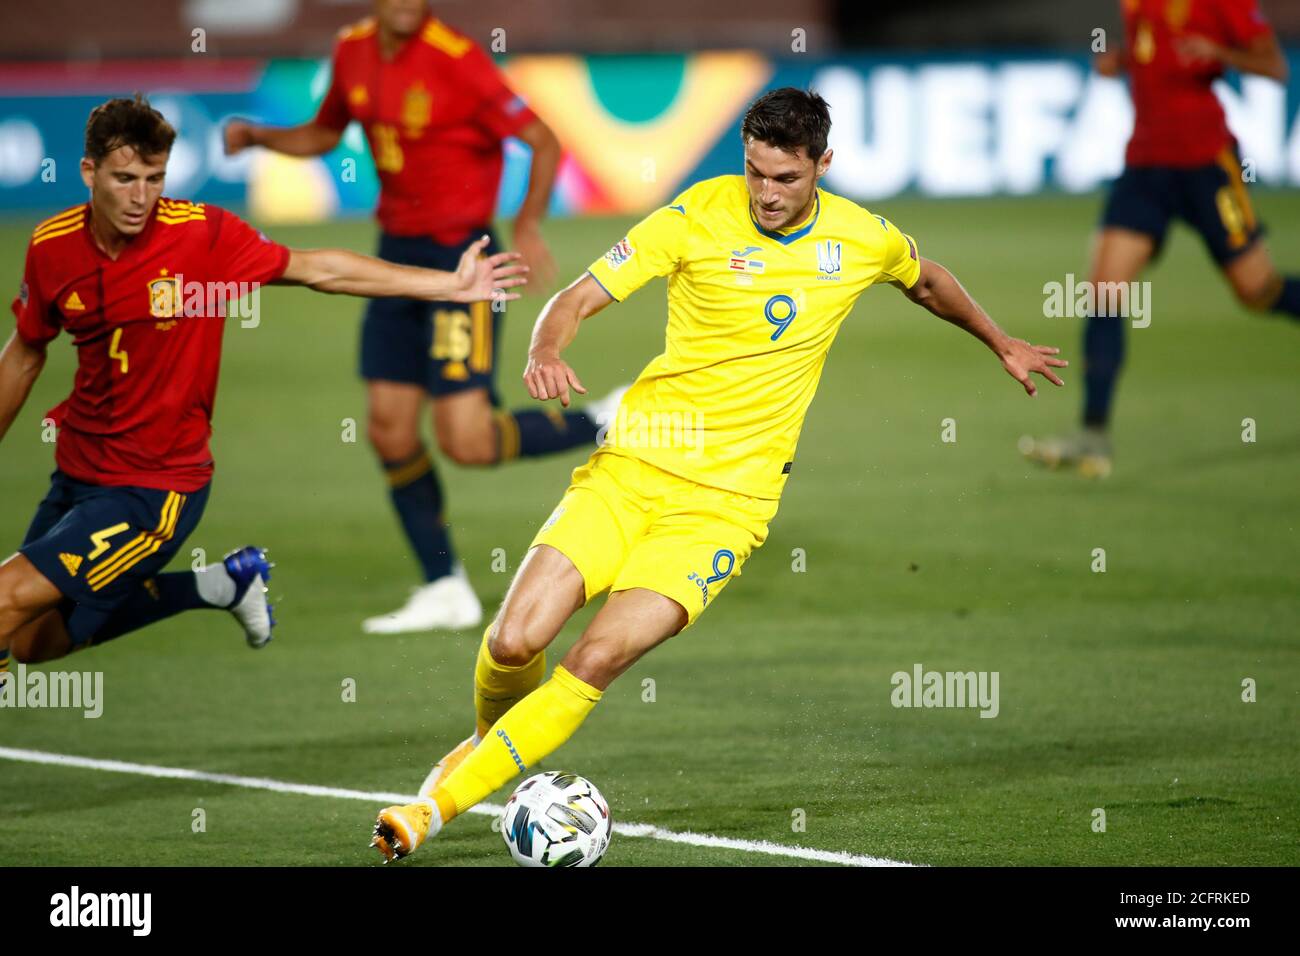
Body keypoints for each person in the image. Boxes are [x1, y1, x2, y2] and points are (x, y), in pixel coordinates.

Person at [368, 87, 1068, 862]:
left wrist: (999, 340)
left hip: (725, 510)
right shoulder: (696, 214)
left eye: (786, 179)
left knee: (593, 658)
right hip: (630, 468)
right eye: (755, 174)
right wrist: (544, 349)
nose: (766, 194)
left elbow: (925, 277)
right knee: (512, 640)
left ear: (822, 166)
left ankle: (431, 808)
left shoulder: (860, 239)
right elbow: (579, 295)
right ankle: (486, 745)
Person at [0, 94, 524, 688]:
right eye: (125, 179)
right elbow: (25, 352)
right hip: (76, 475)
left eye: (155, 178)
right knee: (30, 642)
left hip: (154, 490)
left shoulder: (201, 238)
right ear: (89, 173)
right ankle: (220, 584)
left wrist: (447, 286)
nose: (141, 197)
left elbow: (321, 269)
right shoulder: (51, 245)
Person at [224, 0, 622, 633]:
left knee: (466, 440)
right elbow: (325, 133)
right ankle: (445, 586)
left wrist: (525, 222)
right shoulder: (352, 49)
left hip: (463, 265)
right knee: (389, 430)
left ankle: (604, 421)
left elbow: (543, 139)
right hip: (395, 261)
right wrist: (259, 136)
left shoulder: (459, 63)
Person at [1021, 0, 1293, 477]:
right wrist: (1123, 61)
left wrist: (1220, 53)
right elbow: (1156, 52)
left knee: (1258, 290)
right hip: (1145, 164)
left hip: (1208, 164)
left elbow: (1275, 66)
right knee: (1104, 291)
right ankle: (1093, 435)